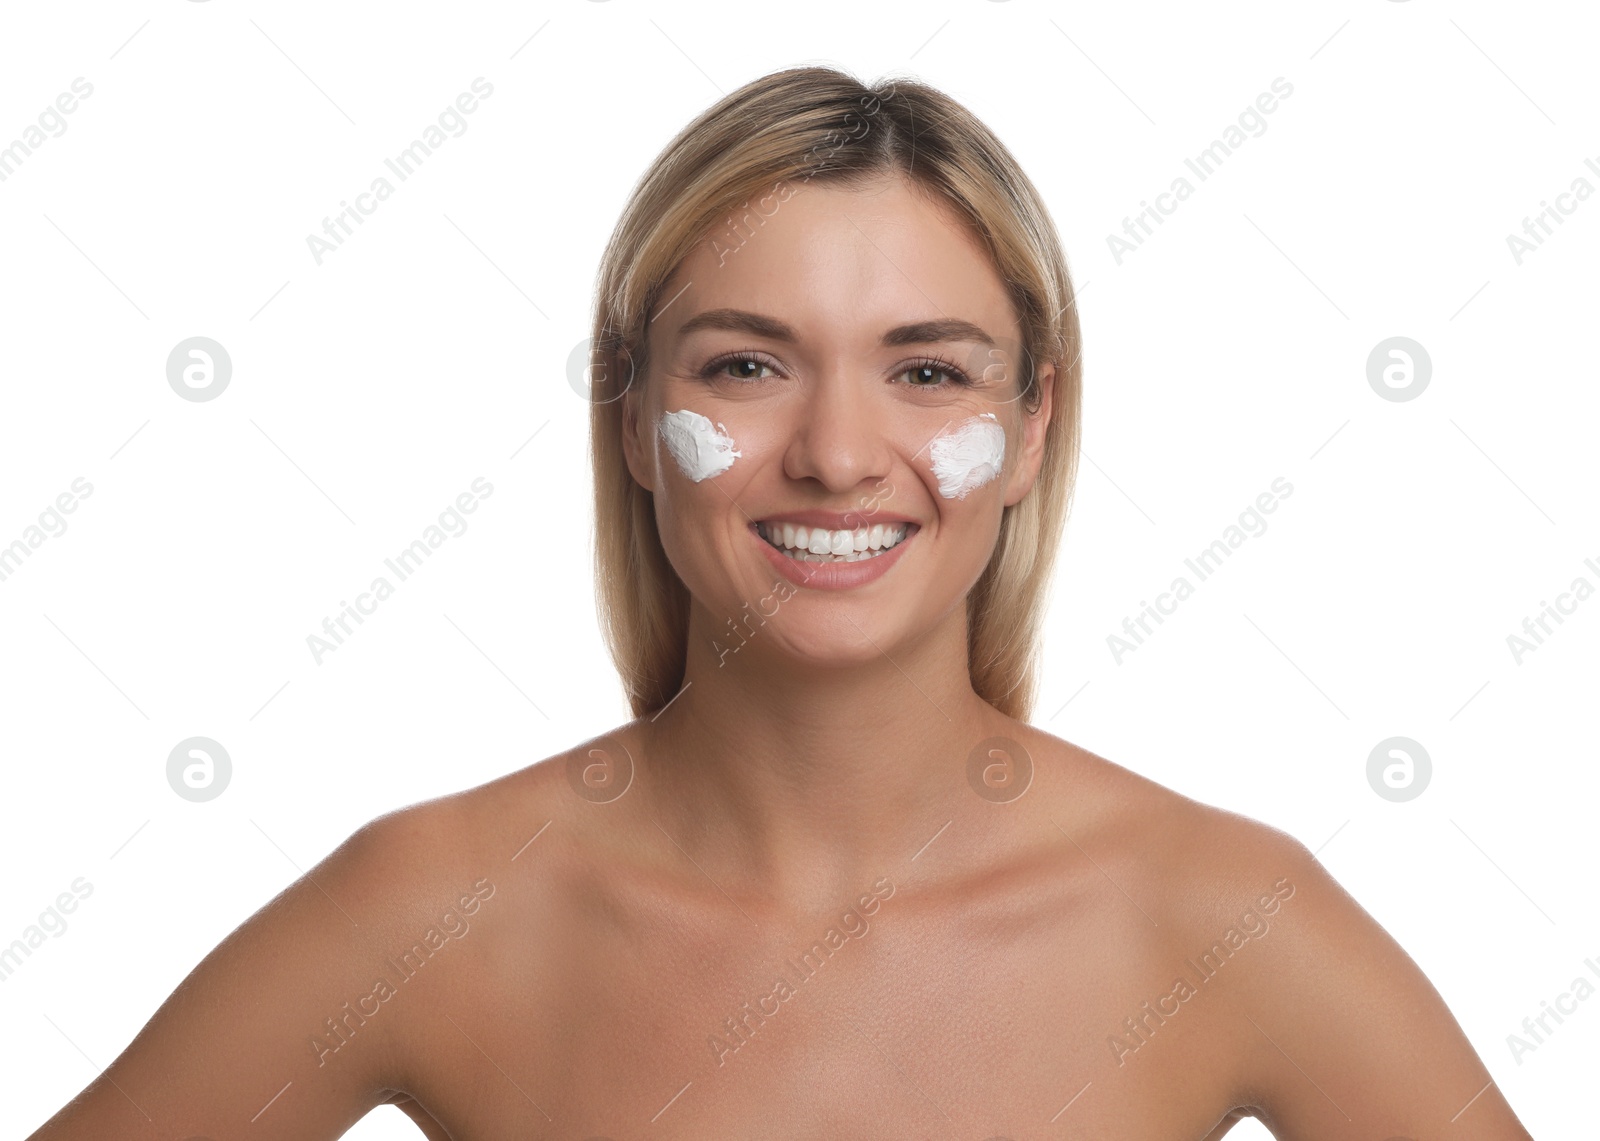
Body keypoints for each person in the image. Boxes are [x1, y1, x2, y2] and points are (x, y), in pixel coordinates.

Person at [28, 66, 1533, 1140]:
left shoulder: (1219, 917)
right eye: (746, 364)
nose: (833, 453)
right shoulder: (440, 907)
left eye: (928, 368)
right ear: (630, 414)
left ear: (1030, 425)